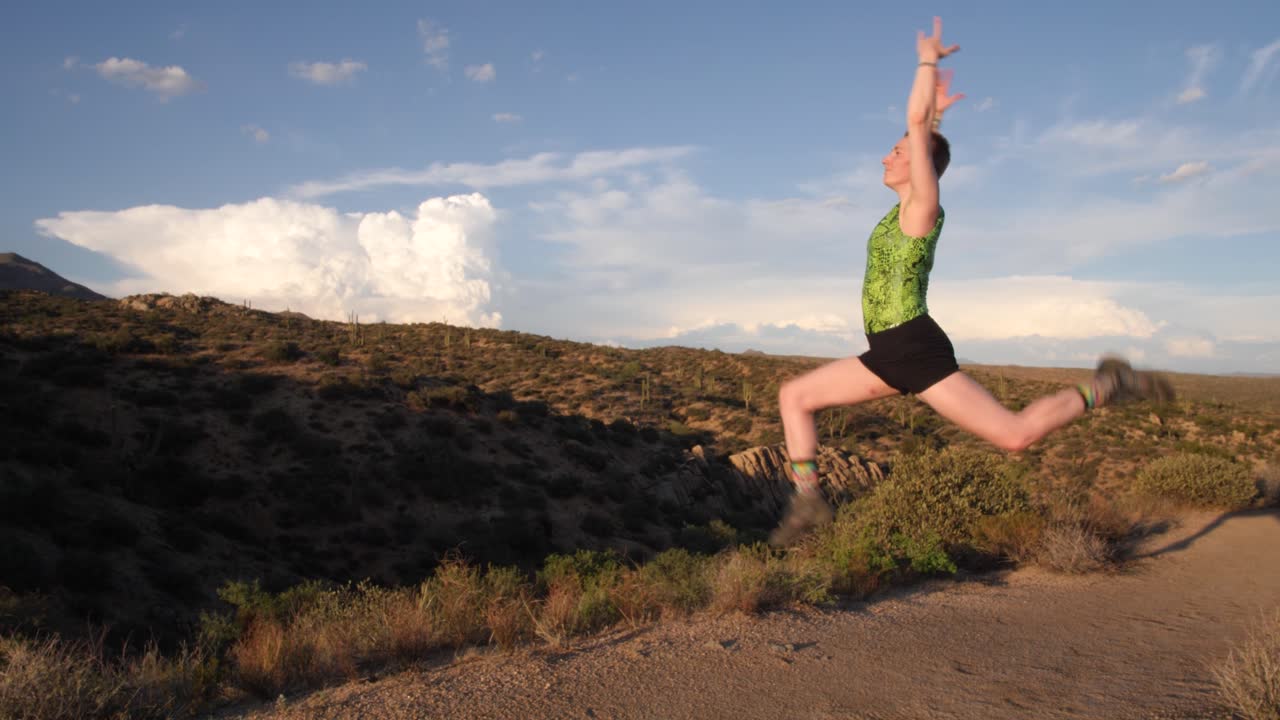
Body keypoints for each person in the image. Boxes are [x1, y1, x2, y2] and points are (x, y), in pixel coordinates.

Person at [769, 17, 1174, 546]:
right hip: (886, 352)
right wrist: (936, 115)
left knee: (1014, 436)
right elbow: (923, 134)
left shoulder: (922, 208)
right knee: (794, 396)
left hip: (914, 347)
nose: (886, 156)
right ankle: (807, 502)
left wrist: (926, 62)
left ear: (920, 168)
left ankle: (1108, 385)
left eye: (898, 151)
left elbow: (918, 132)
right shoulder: (899, 211)